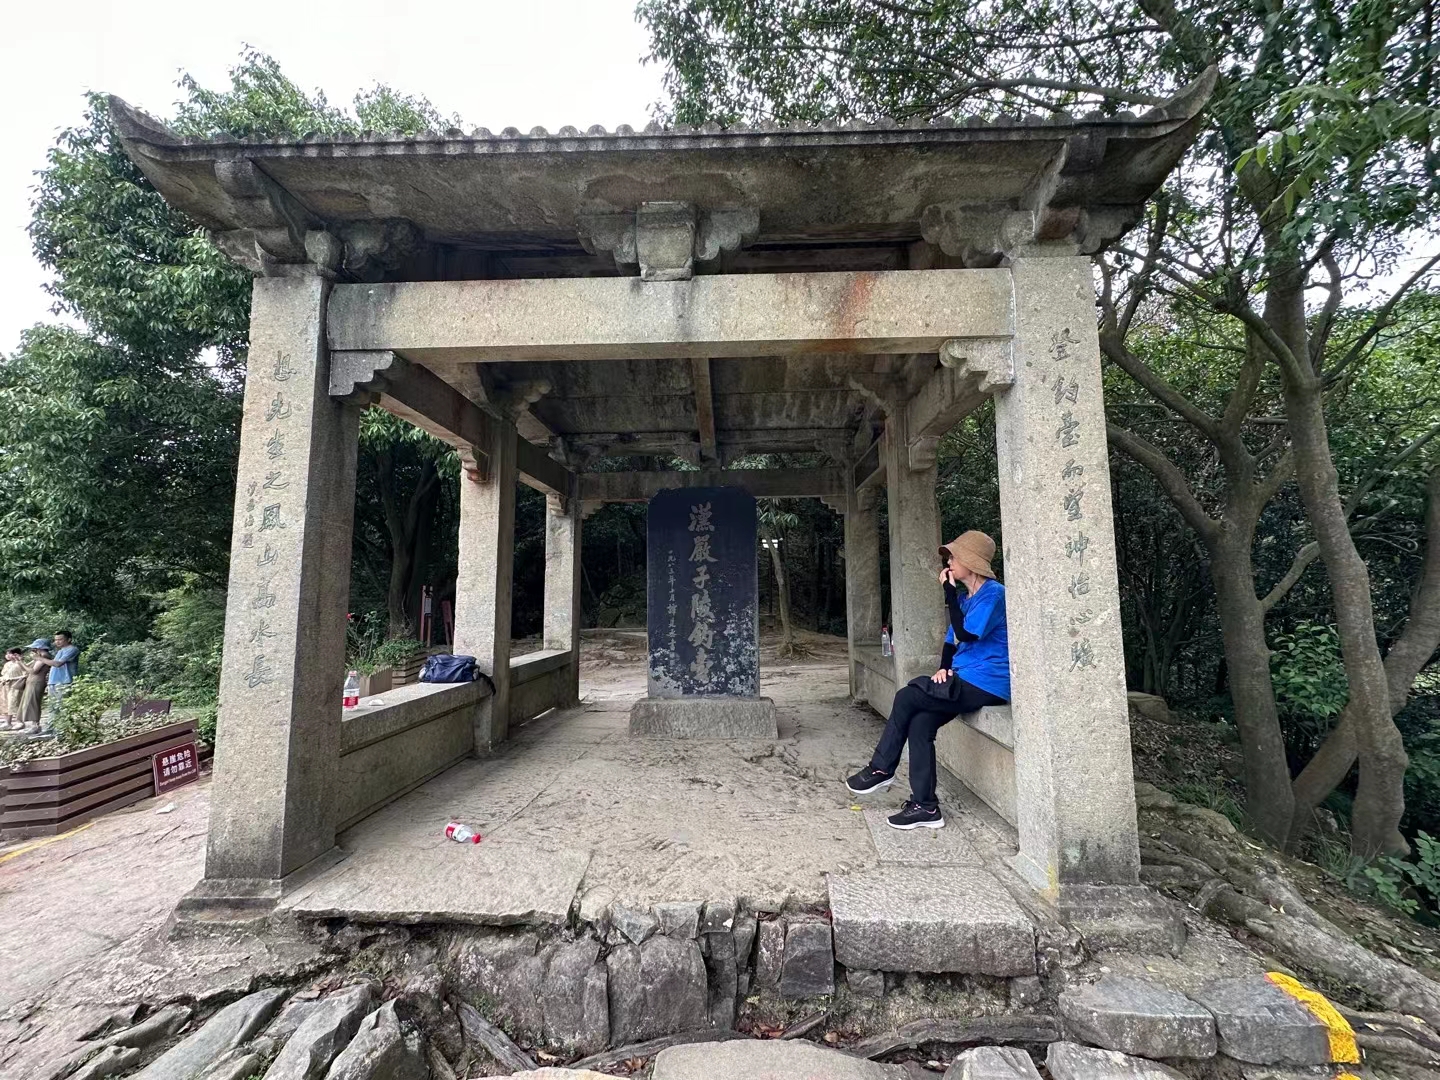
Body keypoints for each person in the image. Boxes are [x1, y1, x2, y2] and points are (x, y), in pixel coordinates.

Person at [846, 530, 1010, 830]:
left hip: (988, 681)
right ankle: (925, 806)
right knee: (921, 724)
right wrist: (944, 669)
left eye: (953, 557)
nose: (948, 562)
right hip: (964, 677)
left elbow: (966, 634)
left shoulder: (994, 594)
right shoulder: (966, 599)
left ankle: (881, 768)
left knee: (907, 696)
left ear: (970, 562)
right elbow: (950, 641)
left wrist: (948, 593)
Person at [36, 629, 79, 727]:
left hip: (64, 682)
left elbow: (57, 664)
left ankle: (62, 730)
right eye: (56, 640)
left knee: (62, 707)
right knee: (52, 707)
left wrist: (40, 658)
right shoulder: (60, 651)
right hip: (53, 682)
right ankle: (51, 728)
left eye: (60, 639)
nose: (57, 642)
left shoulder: (72, 649)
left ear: (69, 639)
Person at [17, 640, 52, 734]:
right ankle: (33, 725)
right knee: (29, 702)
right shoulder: (38, 657)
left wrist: (21, 662)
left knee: (33, 703)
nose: (33, 650)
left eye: (34, 648)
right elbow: (26, 669)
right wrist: (20, 661)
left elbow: (33, 671)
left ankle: (35, 725)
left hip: (37, 682)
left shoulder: (44, 656)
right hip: (32, 681)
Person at [1, 647, 25, 730]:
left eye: (9, 653)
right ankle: (8, 722)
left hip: (16, 685)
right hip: (5, 685)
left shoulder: (20, 664)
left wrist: (13, 679)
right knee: (5, 703)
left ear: (16, 654)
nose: (7, 655)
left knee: (14, 703)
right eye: (7, 654)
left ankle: (20, 722)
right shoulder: (7, 664)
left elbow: (25, 674)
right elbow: (4, 674)